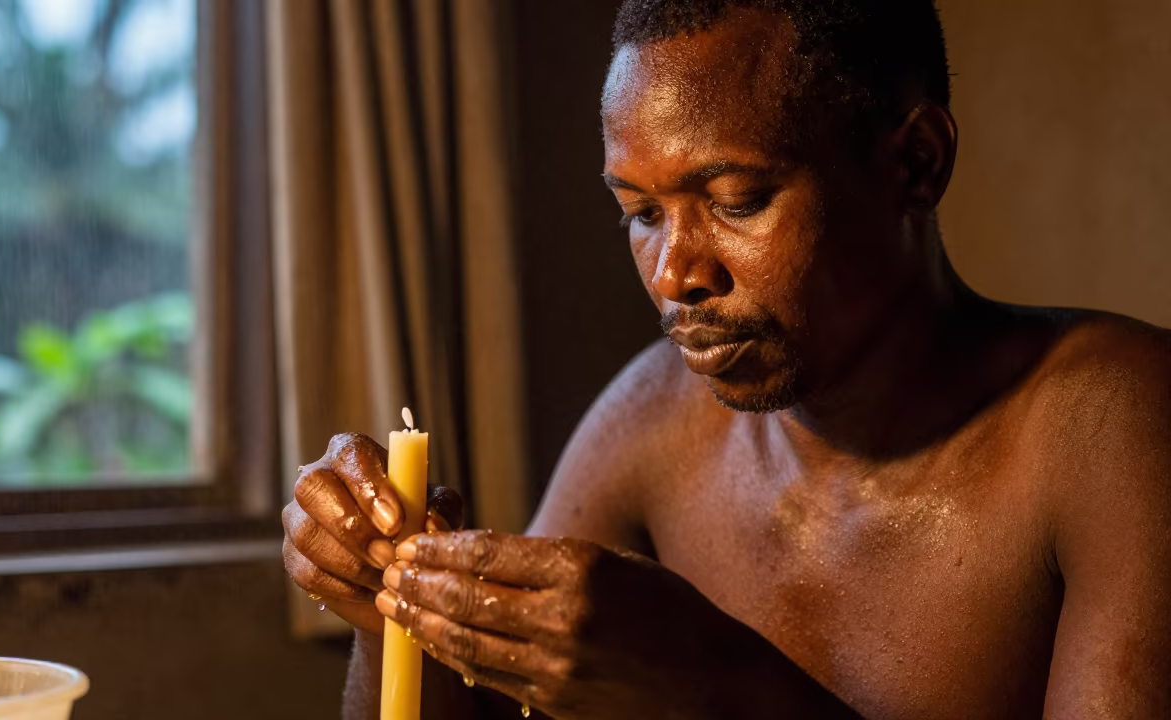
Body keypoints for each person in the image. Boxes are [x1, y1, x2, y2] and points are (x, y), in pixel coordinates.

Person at [282, 0, 1171, 717]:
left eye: (737, 201)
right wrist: (395, 617)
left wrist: (718, 683)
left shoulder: (1112, 424)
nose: (676, 274)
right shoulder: (653, 423)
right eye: (641, 213)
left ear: (915, 163)